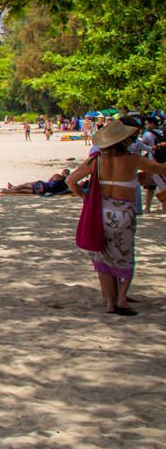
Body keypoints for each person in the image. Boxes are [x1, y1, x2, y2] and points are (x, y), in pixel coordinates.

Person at [67, 120, 166, 316]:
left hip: (101, 211)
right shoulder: (133, 159)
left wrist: (84, 197)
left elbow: (70, 180)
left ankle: (110, 303)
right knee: (125, 255)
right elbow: (161, 169)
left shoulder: (95, 160)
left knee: (102, 255)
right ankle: (122, 299)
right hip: (124, 212)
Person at [1, 168, 72, 196]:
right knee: (22, 190)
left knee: (24, 185)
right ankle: (9, 190)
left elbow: (49, 181)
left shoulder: (58, 176)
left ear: (63, 173)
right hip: (43, 191)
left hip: (43, 186)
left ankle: (11, 189)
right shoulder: (69, 183)